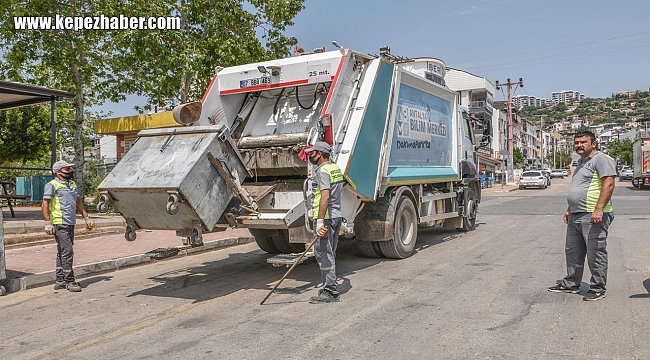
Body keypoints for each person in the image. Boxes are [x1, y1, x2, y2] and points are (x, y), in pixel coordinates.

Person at [548, 130, 615, 301]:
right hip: (576, 214)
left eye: (583, 142)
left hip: (593, 214)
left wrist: (599, 209)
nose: (579, 145)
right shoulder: (580, 162)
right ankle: (571, 283)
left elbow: (608, 183)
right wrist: (570, 209)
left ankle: (598, 287)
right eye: (576, 142)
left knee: (595, 252)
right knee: (573, 251)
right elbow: (579, 188)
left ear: (593, 143)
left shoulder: (600, 159)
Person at [42, 160, 93, 292]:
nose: (70, 171)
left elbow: (78, 201)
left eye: (70, 169)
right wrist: (48, 223)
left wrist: (86, 217)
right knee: (68, 251)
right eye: (67, 169)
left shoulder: (72, 184)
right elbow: (45, 204)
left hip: (70, 222)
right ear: (58, 172)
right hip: (59, 222)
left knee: (62, 251)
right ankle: (70, 281)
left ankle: (60, 280)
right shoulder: (52, 185)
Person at [305, 141, 344, 304]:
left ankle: (330, 291)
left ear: (320, 154)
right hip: (336, 216)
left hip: (326, 217)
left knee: (323, 253)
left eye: (312, 153)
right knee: (330, 252)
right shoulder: (335, 168)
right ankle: (329, 285)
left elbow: (325, 196)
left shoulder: (322, 171)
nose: (310, 156)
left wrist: (320, 220)